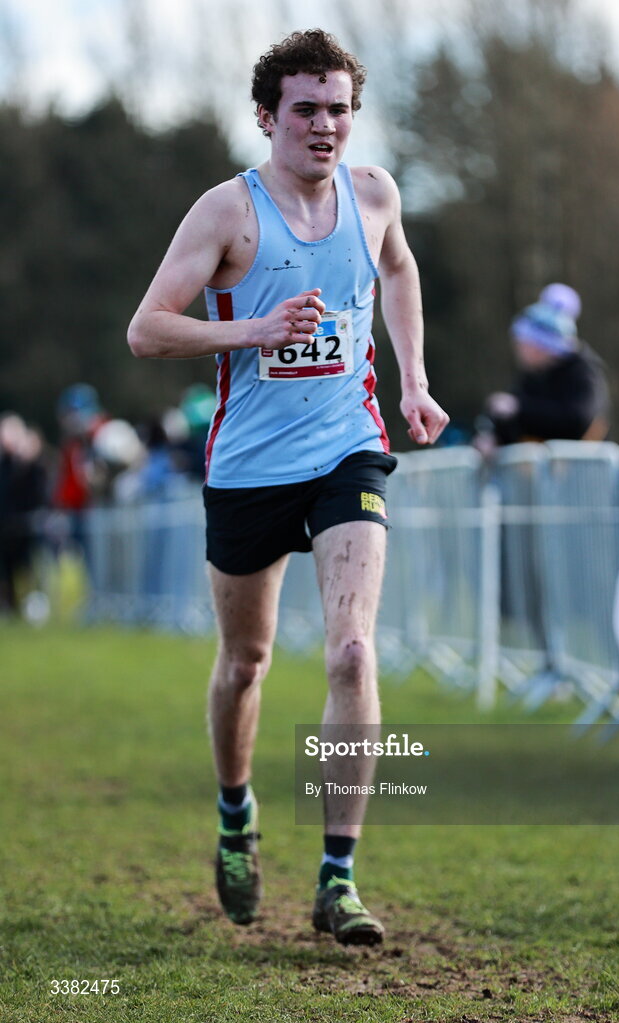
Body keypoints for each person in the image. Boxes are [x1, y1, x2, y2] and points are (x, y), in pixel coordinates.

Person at [127, 28, 448, 946]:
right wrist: (254, 329)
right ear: (267, 117)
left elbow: (396, 264)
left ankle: (338, 878)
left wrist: (412, 377)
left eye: (339, 109)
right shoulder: (226, 213)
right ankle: (236, 813)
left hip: (347, 446)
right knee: (247, 663)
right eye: (305, 109)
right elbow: (147, 329)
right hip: (247, 467)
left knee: (351, 653)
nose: (325, 126)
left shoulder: (374, 192)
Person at [475, 283, 610, 453]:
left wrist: (519, 408)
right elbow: (519, 424)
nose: (518, 350)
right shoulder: (533, 375)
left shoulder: (584, 372)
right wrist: (495, 437)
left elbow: (576, 420)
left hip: (582, 474)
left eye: (523, 344)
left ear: (540, 347)